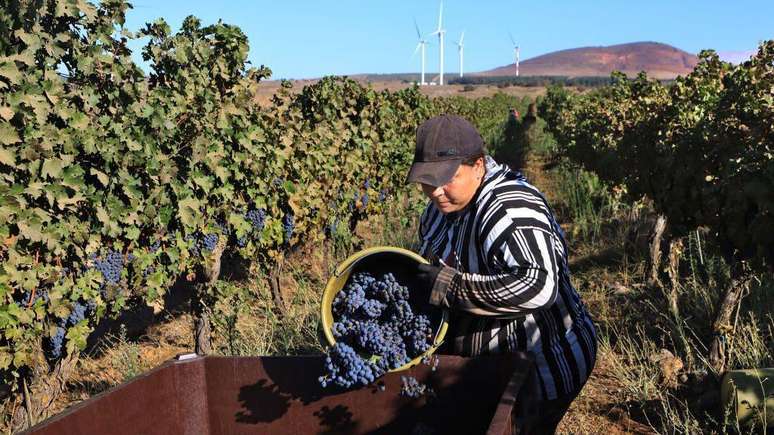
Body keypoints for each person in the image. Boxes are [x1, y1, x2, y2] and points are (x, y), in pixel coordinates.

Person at [407, 114, 597, 434]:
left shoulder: (508, 207)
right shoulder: (437, 212)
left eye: (446, 178)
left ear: (479, 165)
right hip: (485, 365)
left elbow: (538, 285)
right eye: (427, 180)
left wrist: (452, 288)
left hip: (545, 364)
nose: (436, 191)